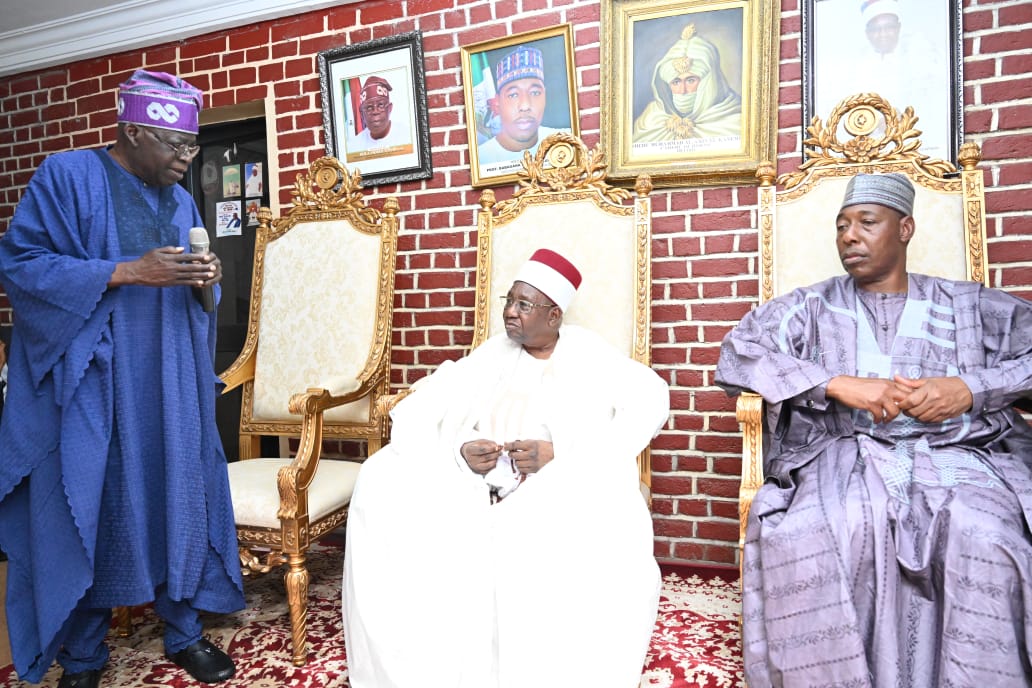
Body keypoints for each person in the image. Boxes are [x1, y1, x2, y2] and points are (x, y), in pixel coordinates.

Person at [715, 173, 1032, 686]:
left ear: (904, 228)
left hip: (956, 452)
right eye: (841, 226)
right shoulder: (809, 306)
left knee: (985, 532)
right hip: (843, 452)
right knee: (829, 529)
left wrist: (970, 389)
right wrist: (836, 383)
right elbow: (737, 355)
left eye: (866, 222)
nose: (849, 236)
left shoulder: (970, 305)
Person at [0, 70, 245, 688]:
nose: (188, 161)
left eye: (193, 146)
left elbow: (197, 298)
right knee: (93, 500)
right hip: (95, 381)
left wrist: (207, 277)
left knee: (177, 494)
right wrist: (129, 271)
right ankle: (83, 655)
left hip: (169, 381)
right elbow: (20, 267)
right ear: (133, 131)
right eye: (176, 146)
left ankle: (183, 630)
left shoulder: (182, 200)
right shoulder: (67, 177)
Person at [343, 248, 670, 688]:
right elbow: (432, 403)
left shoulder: (589, 353)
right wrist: (460, 449)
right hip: (477, 477)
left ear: (554, 315)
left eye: (523, 305)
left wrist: (560, 453)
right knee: (380, 478)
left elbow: (652, 400)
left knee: (527, 530)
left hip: (557, 480)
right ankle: (424, 658)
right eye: (508, 301)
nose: (509, 313)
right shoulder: (494, 352)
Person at [632, 24, 742, 152]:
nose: (683, 91)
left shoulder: (735, 120)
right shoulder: (650, 120)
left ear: (710, 82)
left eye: (690, 80)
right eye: (676, 82)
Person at [477, 46, 564, 174]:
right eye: (513, 95)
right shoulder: (481, 158)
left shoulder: (564, 140)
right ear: (497, 103)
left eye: (534, 93)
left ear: (545, 96)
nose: (525, 106)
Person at [351, 75, 409, 152]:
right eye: (369, 108)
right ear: (362, 114)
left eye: (380, 105)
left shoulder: (407, 136)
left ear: (390, 108)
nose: (375, 111)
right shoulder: (353, 146)